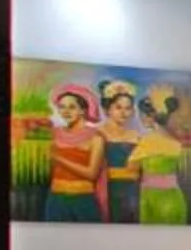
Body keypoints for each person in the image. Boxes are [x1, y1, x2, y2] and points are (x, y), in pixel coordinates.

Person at [135, 84, 191, 225]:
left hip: (153, 198)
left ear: (149, 117)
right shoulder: (176, 141)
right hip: (174, 197)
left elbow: (130, 167)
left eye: (142, 115)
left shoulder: (148, 141)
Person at [42, 84, 105, 221]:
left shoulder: (96, 137)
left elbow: (91, 173)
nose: (66, 111)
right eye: (62, 107)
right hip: (56, 199)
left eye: (72, 107)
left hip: (83, 200)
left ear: (82, 110)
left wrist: (59, 159)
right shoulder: (54, 134)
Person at [97, 79, 145, 222]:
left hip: (132, 191)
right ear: (108, 109)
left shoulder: (136, 136)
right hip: (108, 189)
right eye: (118, 107)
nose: (124, 112)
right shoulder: (98, 134)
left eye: (128, 108)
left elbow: (142, 169)